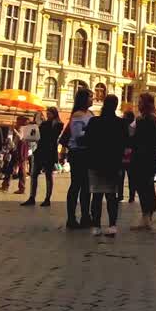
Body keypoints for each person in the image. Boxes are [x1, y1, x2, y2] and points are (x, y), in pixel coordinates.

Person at [82, 95, 128, 237]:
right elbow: (125, 142)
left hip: (95, 162)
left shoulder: (94, 121)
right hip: (113, 163)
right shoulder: (121, 123)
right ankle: (112, 225)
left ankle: (96, 226)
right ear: (116, 106)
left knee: (96, 196)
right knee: (111, 196)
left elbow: (87, 140)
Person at [129, 92, 156, 231]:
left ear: (146, 104)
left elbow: (139, 139)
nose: (138, 104)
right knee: (148, 186)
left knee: (143, 187)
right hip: (151, 156)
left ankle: (146, 217)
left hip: (143, 157)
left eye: (141, 101)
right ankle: (148, 217)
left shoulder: (146, 119)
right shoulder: (155, 118)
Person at [62, 88, 94, 229]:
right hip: (78, 153)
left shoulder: (90, 113)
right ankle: (71, 218)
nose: (92, 99)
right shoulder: (77, 115)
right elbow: (77, 135)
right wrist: (90, 132)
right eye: (90, 97)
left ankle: (86, 216)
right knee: (76, 185)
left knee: (87, 187)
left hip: (88, 153)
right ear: (83, 99)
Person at [23, 108, 63, 207]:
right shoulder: (42, 124)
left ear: (54, 114)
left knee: (48, 175)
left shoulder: (57, 124)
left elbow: (52, 135)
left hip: (49, 152)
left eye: (49, 113)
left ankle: (47, 198)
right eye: (47, 113)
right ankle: (32, 197)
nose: (47, 115)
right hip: (39, 151)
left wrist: (39, 125)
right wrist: (33, 126)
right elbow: (34, 136)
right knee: (34, 174)